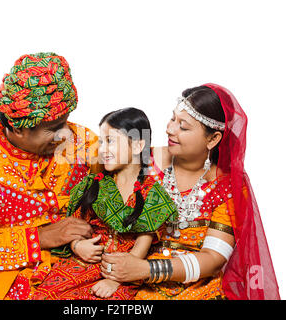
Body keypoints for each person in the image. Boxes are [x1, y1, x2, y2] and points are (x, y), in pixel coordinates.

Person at [0, 53, 102, 300]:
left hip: (81, 268)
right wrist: (40, 238)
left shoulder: (84, 143)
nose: (65, 135)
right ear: (17, 127)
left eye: (65, 122)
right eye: (53, 128)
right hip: (0, 281)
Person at [100, 84, 280, 300]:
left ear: (212, 139)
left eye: (183, 127)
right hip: (128, 274)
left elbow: (213, 258)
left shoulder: (228, 185)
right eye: (172, 119)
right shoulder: (147, 161)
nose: (169, 129)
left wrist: (147, 269)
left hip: (196, 285)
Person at [31, 108, 177, 300]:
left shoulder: (152, 194)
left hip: (122, 272)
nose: (102, 149)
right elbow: (75, 225)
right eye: (101, 142)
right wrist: (77, 246)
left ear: (137, 146)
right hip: (84, 262)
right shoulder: (94, 184)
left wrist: (115, 281)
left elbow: (141, 248)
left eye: (110, 141)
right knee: (46, 295)